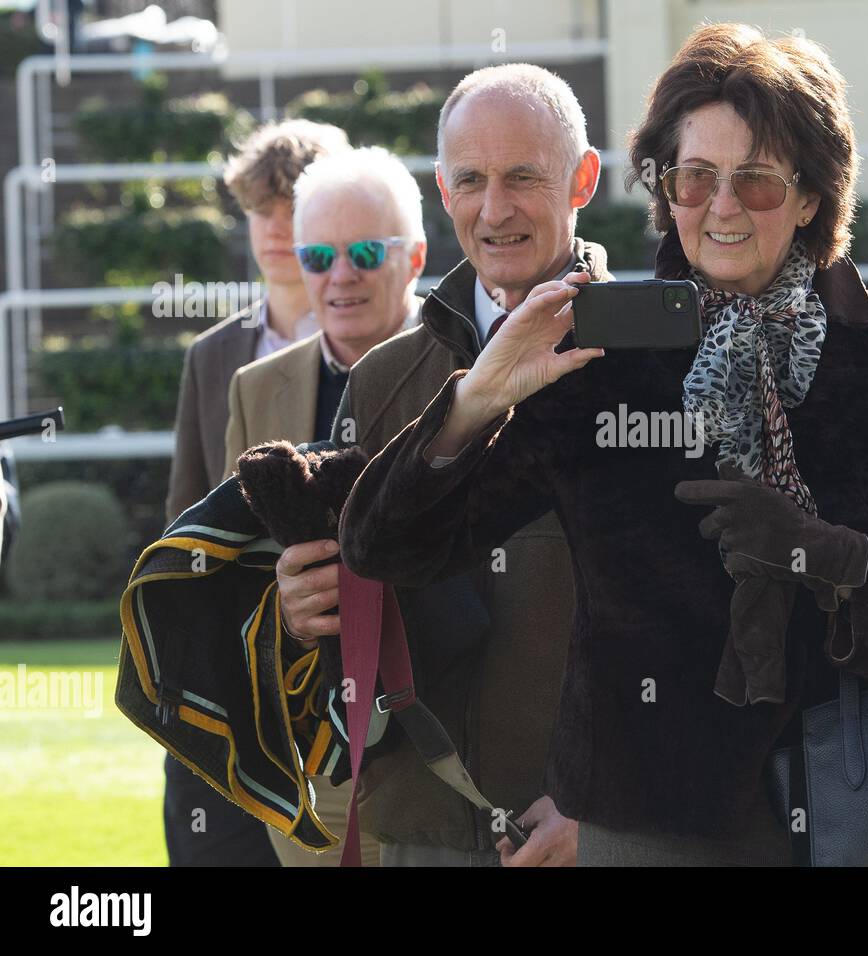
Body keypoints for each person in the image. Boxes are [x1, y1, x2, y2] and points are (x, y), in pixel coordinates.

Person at [339, 23, 868, 866]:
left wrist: (837, 562)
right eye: (695, 178)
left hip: (867, 807)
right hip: (652, 830)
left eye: (759, 182)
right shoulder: (605, 356)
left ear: (812, 197)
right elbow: (384, 544)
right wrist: (476, 398)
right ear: (665, 193)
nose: (723, 205)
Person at [280, 63, 604, 866]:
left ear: (584, 179)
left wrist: (605, 805)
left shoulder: (651, 366)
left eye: (525, 177)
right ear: (442, 189)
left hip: (591, 830)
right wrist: (298, 602)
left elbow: (697, 618)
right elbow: (345, 619)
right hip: (423, 832)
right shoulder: (382, 381)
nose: (496, 209)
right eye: (472, 180)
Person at [223, 144, 433, 867]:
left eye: (366, 252)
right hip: (315, 773)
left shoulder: (469, 374)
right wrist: (281, 604)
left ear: (414, 258)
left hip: (448, 763)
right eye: (318, 257)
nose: (340, 276)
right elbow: (231, 571)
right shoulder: (258, 387)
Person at [161, 118, 348, 868]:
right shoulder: (214, 356)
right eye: (259, 210)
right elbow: (187, 507)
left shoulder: (387, 342)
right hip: (241, 665)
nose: (274, 228)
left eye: (291, 207)